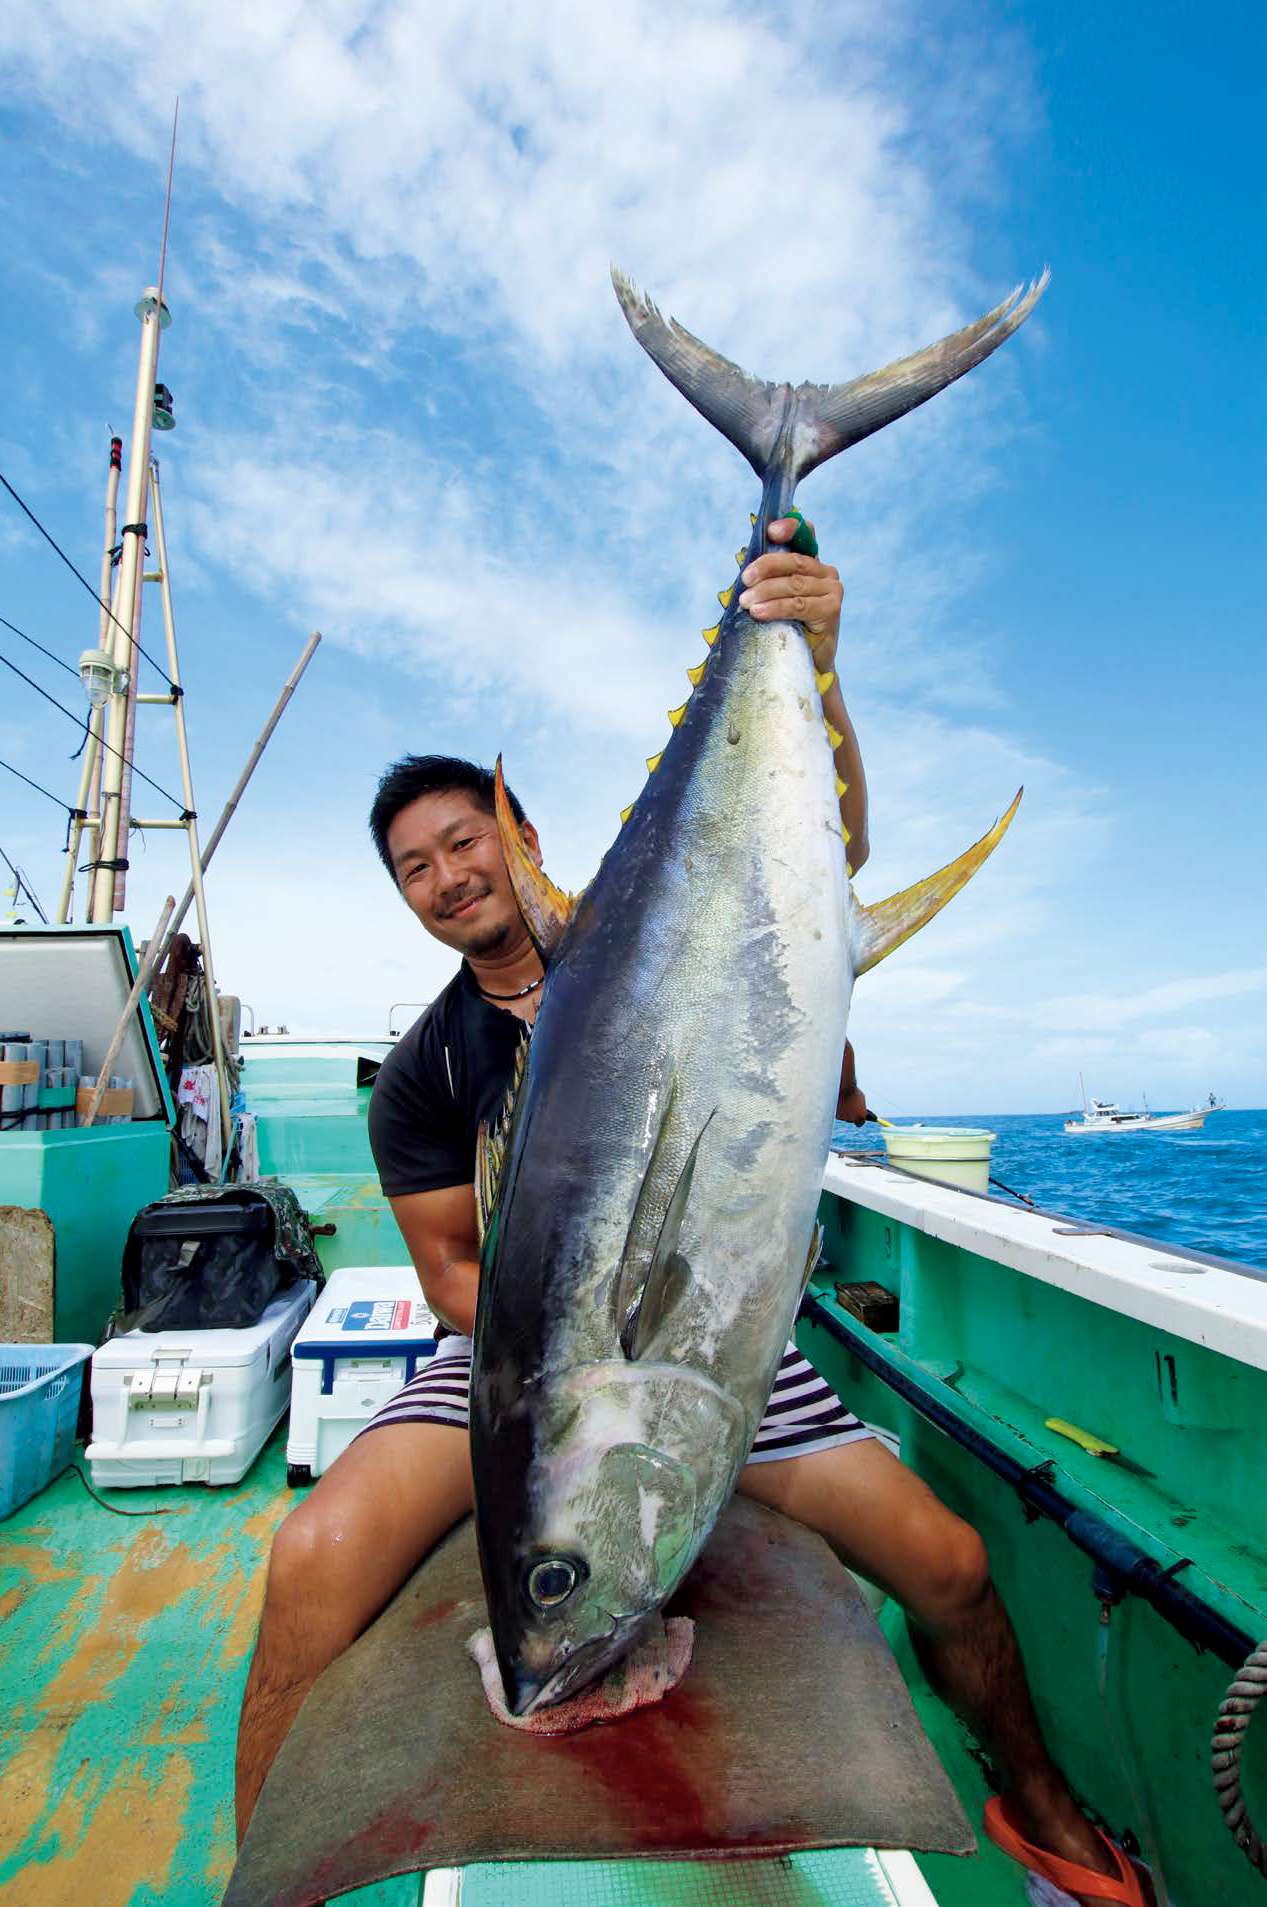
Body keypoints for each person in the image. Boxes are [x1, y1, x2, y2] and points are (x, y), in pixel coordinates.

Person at [235, 523, 1146, 1907]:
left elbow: (806, 868)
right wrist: (582, 1340)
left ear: (518, 833)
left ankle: (1044, 1811)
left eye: (461, 839)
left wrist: (816, 670)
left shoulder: (676, 927)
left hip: (725, 1347)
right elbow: (449, 1283)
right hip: (514, 1368)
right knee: (309, 1555)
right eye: (411, 867)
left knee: (950, 1563)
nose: (444, 877)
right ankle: (266, 1867)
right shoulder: (421, 1070)